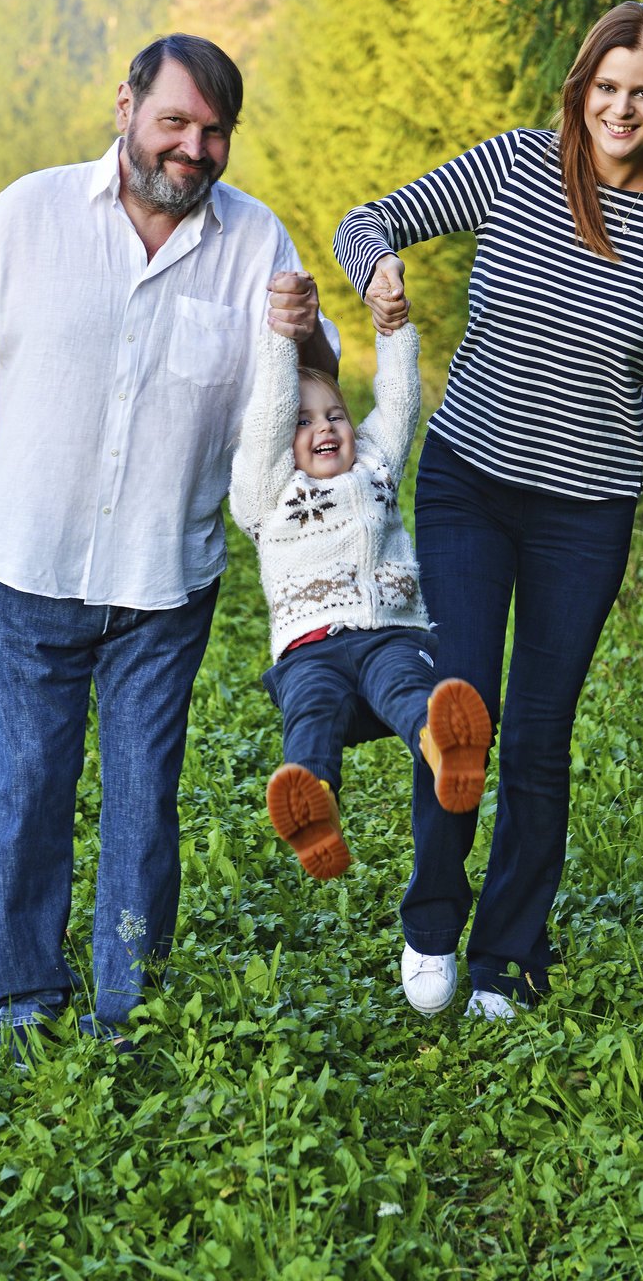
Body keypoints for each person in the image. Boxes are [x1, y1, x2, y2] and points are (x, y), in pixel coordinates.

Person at [0, 33, 338, 1057]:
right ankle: (27, 998)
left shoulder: (257, 242)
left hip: (164, 585)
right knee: (21, 793)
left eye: (214, 132)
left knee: (142, 808)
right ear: (124, 106)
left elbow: (313, 385)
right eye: (174, 121)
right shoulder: (27, 216)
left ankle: (128, 1009)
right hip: (34, 570)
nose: (193, 148)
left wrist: (310, 338)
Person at [333, 1, 643, 1022]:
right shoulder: (515, 165)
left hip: (584, 514)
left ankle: (506, 952)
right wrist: (374, 270)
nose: (622, 108)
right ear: (580, 85)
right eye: (607, 87)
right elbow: (364, 219)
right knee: (463, 711)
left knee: (540, 737)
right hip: (469, 483)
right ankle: (429, 920)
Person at [229, 316, 490, 879]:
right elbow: (269, 419)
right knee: (311, 710)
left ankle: (447, 750)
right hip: (309, 648)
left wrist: (395, 328)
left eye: (334, 415)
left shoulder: (375, 465)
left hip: (389, 633)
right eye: (304, 423)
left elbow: (399, 403)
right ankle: (313, 802)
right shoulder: (268, 496)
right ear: (280, 437)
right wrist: (280, 340)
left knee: (406, 685)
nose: (324, 429)